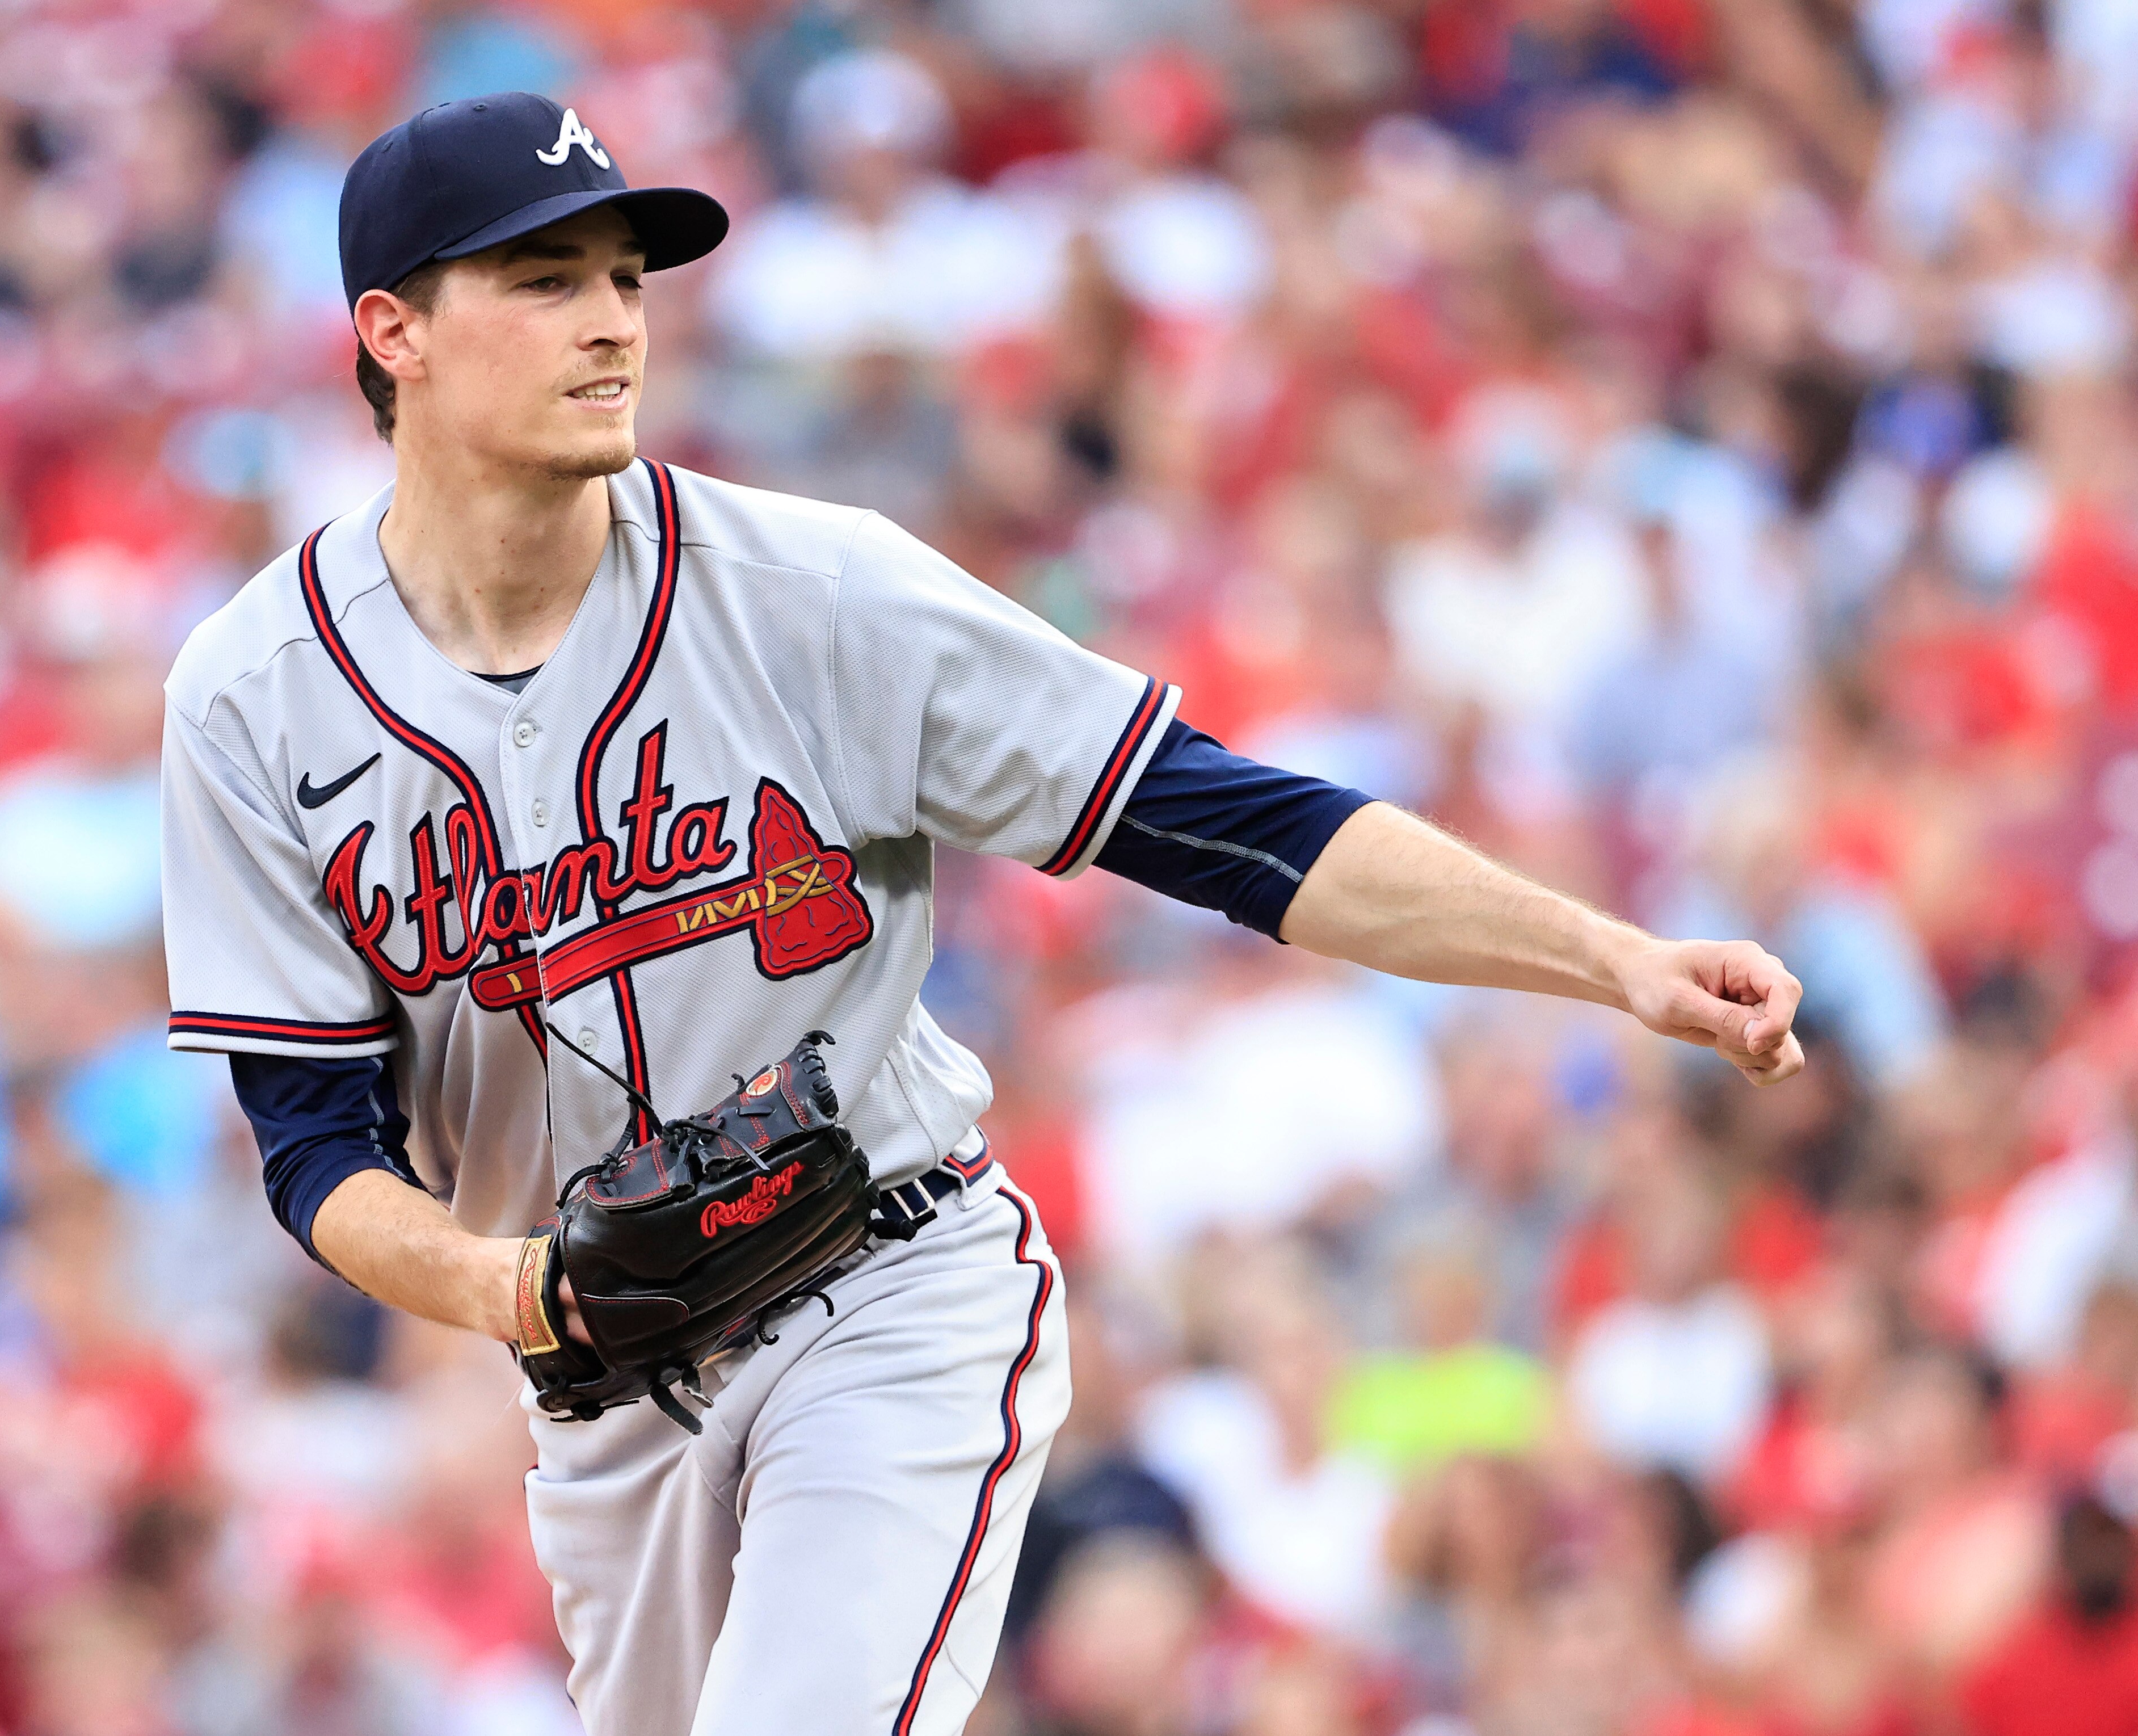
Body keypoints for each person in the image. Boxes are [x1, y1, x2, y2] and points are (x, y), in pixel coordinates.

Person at [157, 92, 1804, 1736]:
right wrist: (507, 1289)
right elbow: (313, 1138)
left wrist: (1610, 954)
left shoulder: (812, 593)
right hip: (603, 1401)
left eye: (624, 278)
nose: (609, 322)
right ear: (394, 333)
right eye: (541, 280)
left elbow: (1218, 819)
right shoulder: (254, 697)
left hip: (880, 1283)